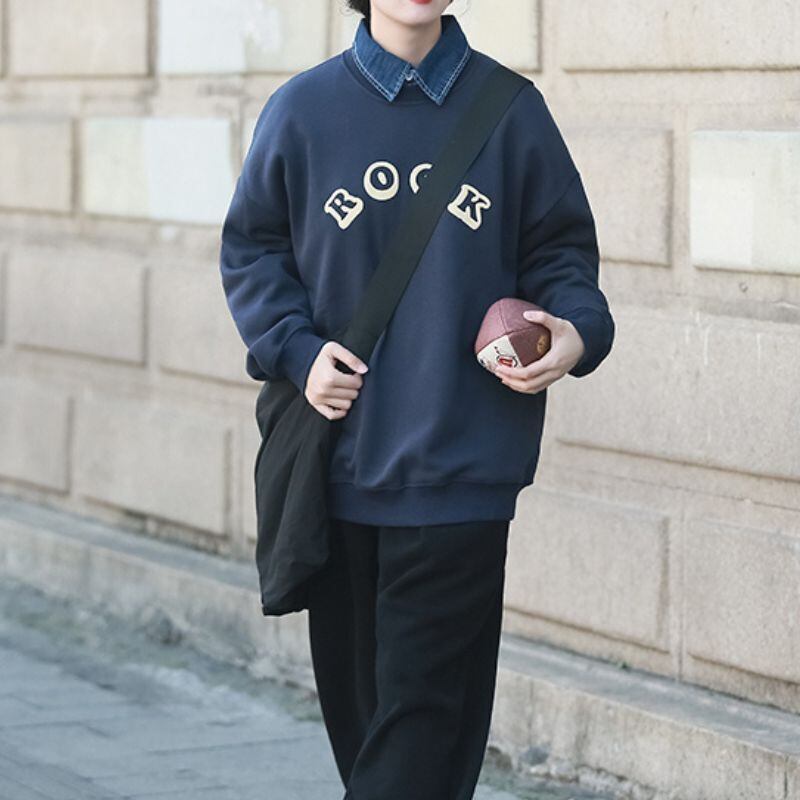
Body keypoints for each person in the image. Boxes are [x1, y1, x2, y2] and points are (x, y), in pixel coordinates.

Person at [219, 1, 615, 797]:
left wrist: (575, 333)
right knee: (373, 738)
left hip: (462, 468)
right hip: (340, 470)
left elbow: (561, 252)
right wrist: (299, 351)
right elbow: (254, 252)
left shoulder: (510, 111)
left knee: (420, 731)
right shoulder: (302, 111)